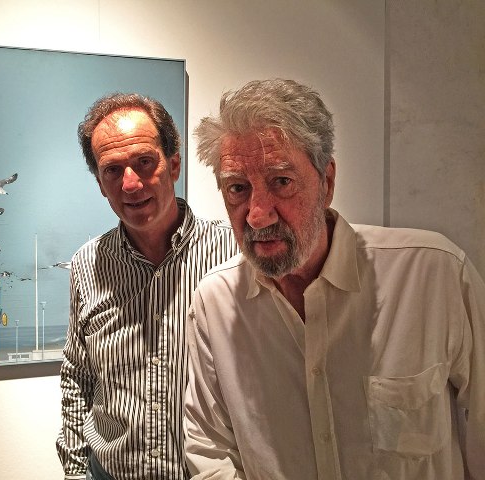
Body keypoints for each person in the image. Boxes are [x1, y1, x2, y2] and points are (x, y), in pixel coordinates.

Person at [184, 79, 485, 479]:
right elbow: (209, 449)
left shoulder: (434, 274)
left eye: (281, 182)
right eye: (238, 188)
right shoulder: (215, 302)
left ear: (326, 182)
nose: (257, 214)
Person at [56, 93, 239, 480]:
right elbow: (78, 376)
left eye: (144, 162)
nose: (131, 184)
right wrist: (75, 472)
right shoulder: (88, 264)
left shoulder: (234, 253)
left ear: (174, 165)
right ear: (100, 184)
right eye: (112, 170)